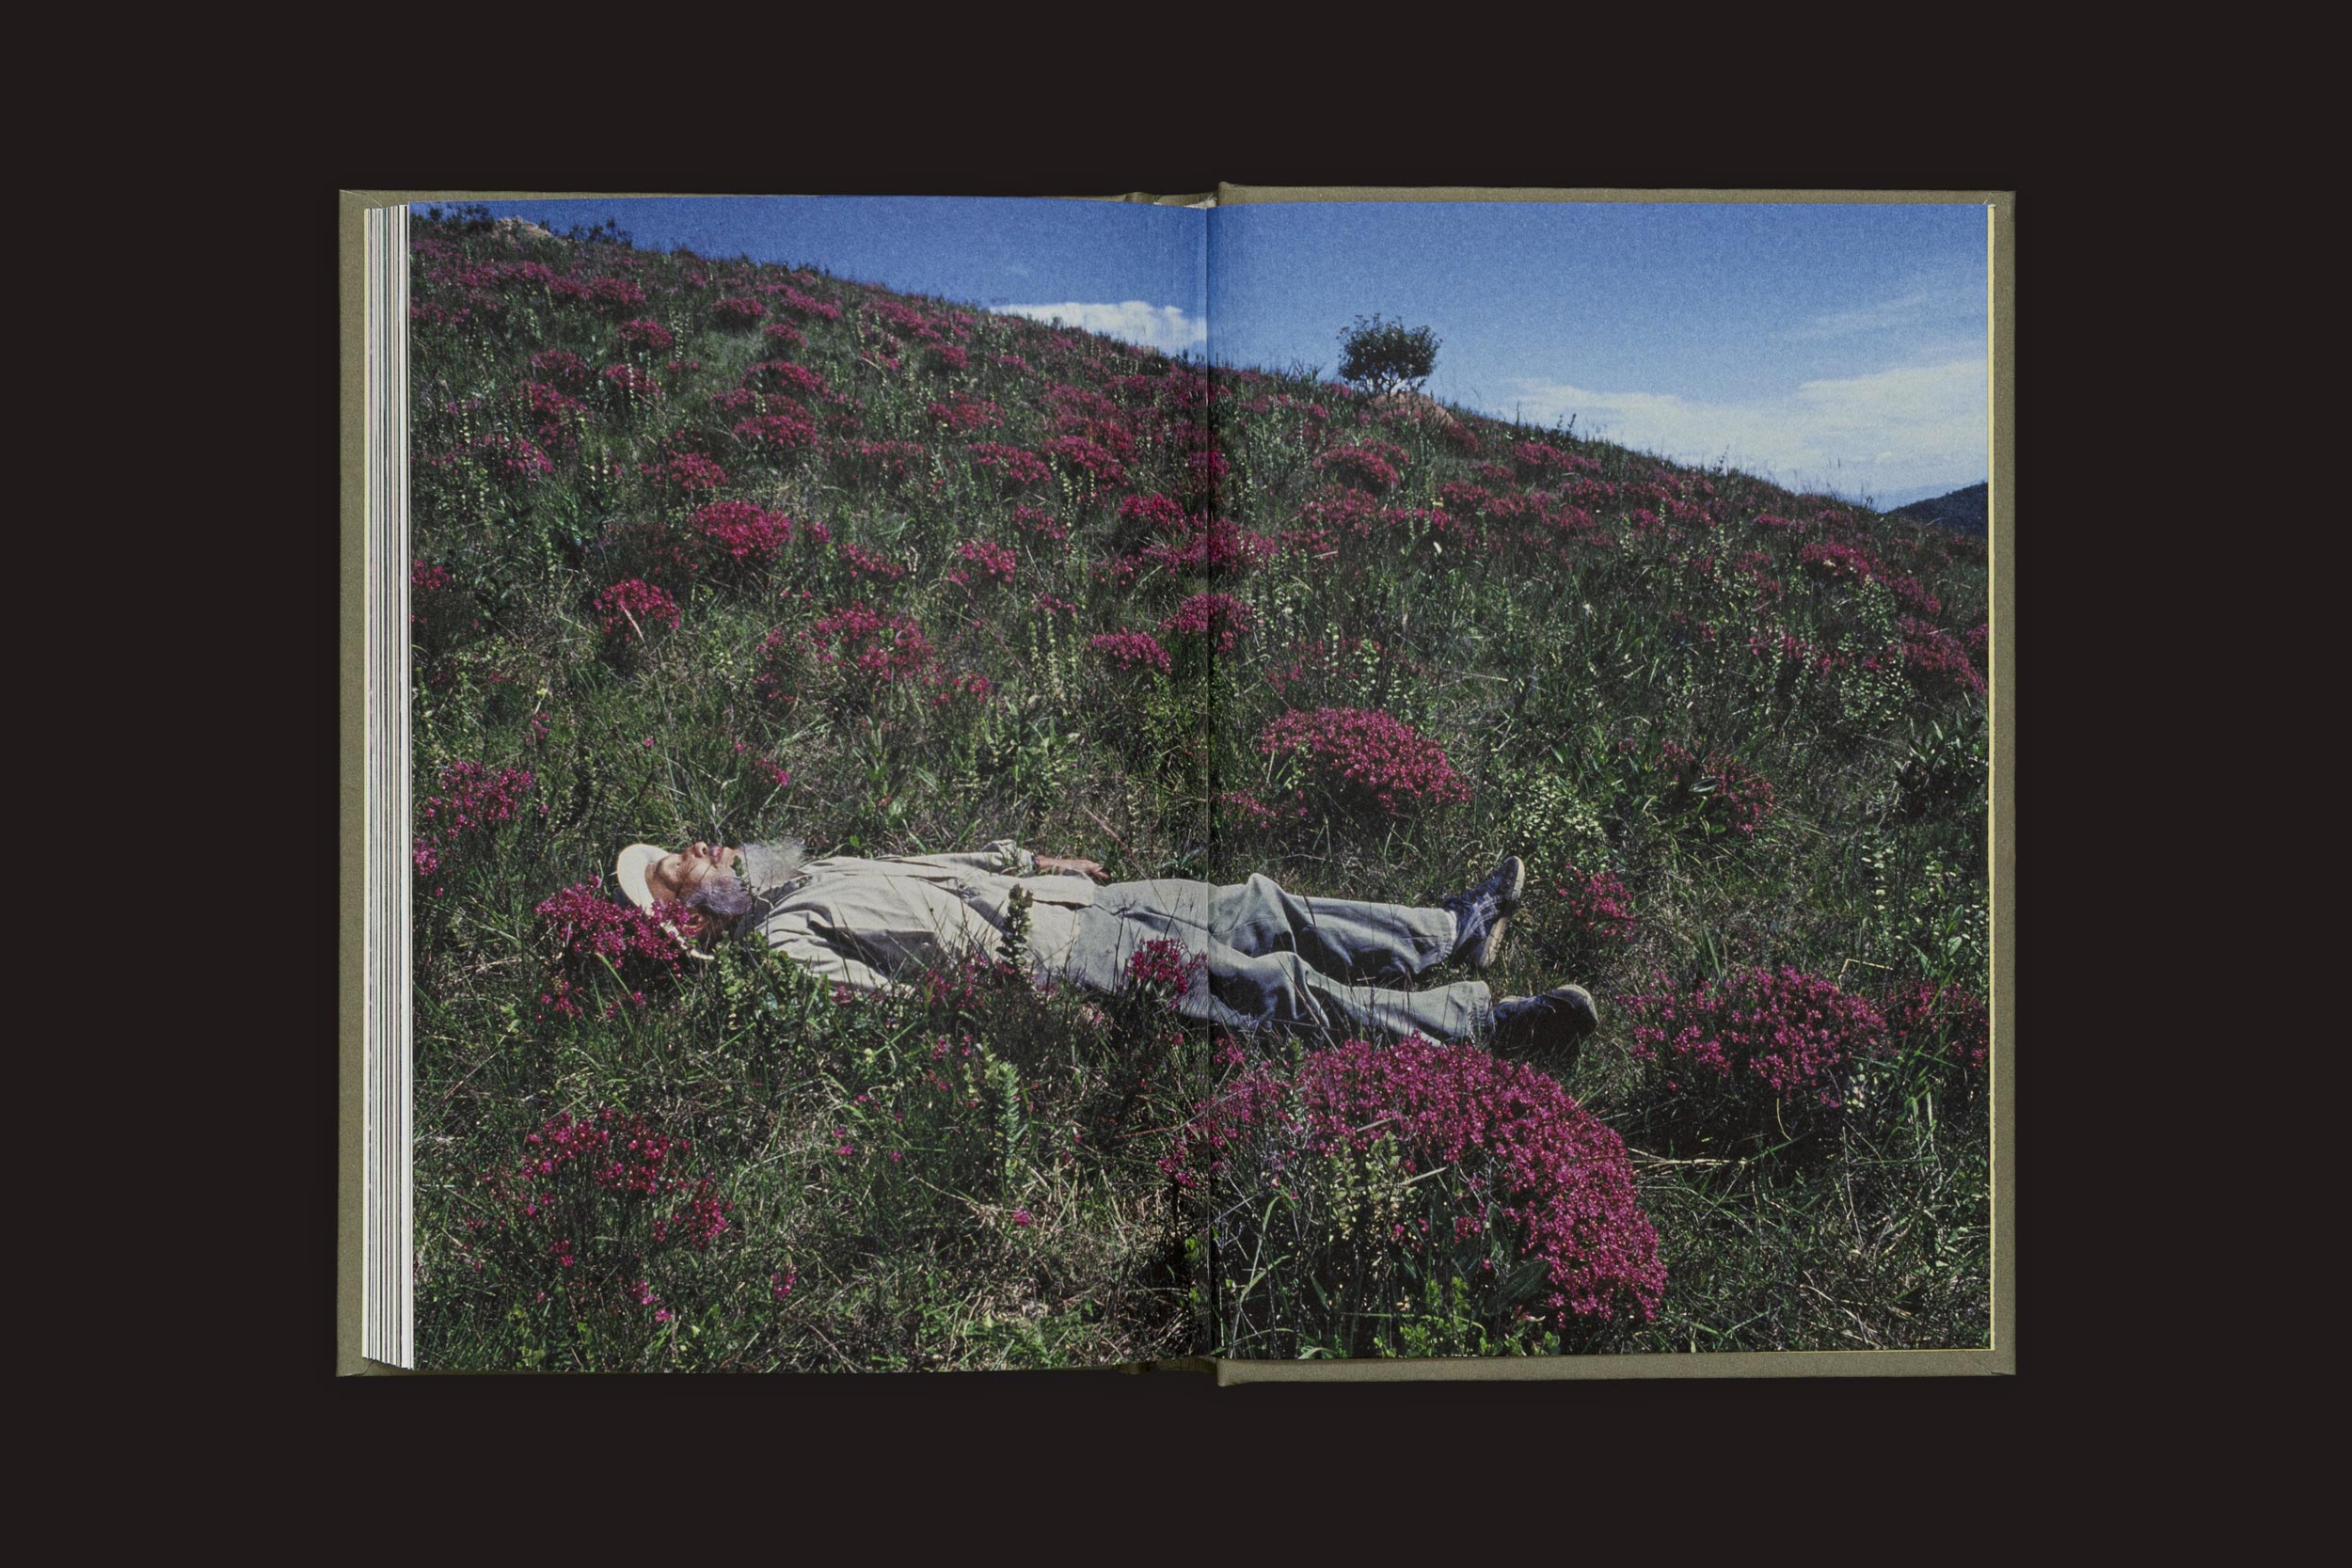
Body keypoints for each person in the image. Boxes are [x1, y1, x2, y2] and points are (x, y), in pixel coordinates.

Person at [613, 835, 1598, 1053]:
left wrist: (1025, 852)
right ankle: (1480, 1027)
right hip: (1049, 957)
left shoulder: (783, 868)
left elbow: (919, 858)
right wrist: (1019, 1010)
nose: (695, 847)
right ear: (684, 916)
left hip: (1049, 894)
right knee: (1274, 988)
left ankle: (1447, 932)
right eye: (678, 868)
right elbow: (890, 1009)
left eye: (686, 846)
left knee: (1258, 902)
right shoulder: (777, 936)